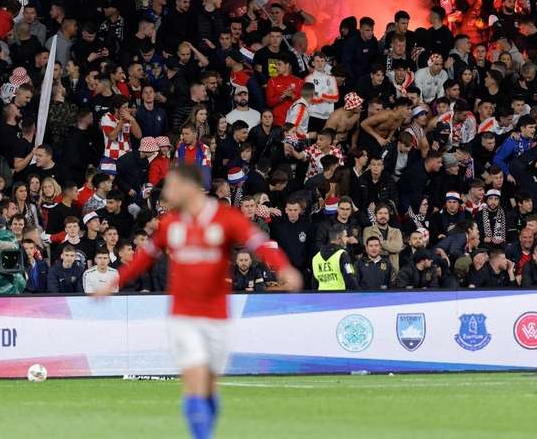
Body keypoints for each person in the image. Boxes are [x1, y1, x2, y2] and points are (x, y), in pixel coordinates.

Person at [95, 164, 301, 439]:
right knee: (194, 382)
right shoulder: (171, 223)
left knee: (209, 389)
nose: (166, 193)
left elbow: (260, 244)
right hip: (183, 316)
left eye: (171, 187)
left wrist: (284, 267)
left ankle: (207, 429)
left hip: (217, 316)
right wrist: (113, 281)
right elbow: (145, 256)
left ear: (189, 188)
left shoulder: (226, 218)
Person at [312, 223, 359, 290]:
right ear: (339, 238)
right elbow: (350, 277)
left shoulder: (316, 257)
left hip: (322, 297)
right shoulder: (341, 254)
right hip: (339, 296)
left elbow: (314, 283)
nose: (347, 239)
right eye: (345, 236)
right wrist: (359, 294)